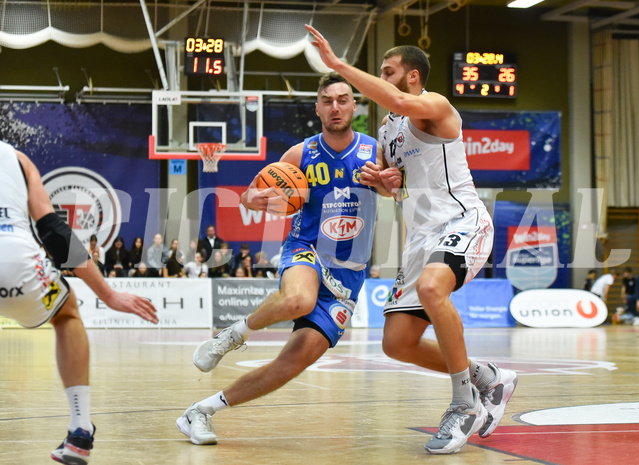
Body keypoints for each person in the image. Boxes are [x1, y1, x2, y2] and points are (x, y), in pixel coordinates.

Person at [305, 26, 518, 455]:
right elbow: (392, 186)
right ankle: (487, 377)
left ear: (413, 76)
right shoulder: (386, 130)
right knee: (397, 342)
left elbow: (400, 101)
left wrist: (339, 66)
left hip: (463, 220)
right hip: (420, 237)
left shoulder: (435, 105)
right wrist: (382, 181)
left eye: (389, 71)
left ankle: (463, 405)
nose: (383, 79)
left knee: (431, 288)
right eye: (380, 72)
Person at [176, 72, 382, 446]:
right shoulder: (300, 154)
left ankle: (201, 411)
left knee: (291, 365)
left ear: (354, 105)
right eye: (327, 100)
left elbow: (396, 187)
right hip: (306, 248)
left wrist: (391, 183)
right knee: (297, 299)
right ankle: (232, 335)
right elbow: (250, 195)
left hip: (348, 274)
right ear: (317, 108)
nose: (335, 107)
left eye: (342, 99)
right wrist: (251, 199)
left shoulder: (375, 151)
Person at [0, 141, 158, 465]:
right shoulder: (14, 158)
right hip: (14, 262)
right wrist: (108, 294)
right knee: (67, 312)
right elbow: (54, 232)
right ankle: (79, 431)